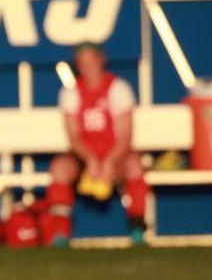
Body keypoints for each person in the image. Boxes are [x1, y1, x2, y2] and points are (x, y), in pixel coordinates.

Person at [43, 42, 150, 245]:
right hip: (84, 157)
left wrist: (109, 161)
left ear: (101, 60)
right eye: (82, 62)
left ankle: (137, 229)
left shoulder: (118, 88)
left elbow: (126, 135)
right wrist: (91, 159)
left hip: (115, 155)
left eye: (90, 61)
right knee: (59, 168)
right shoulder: (71, 93)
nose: (87, 67)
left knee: (135, 165)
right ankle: (59, 233)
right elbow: (73, 137)